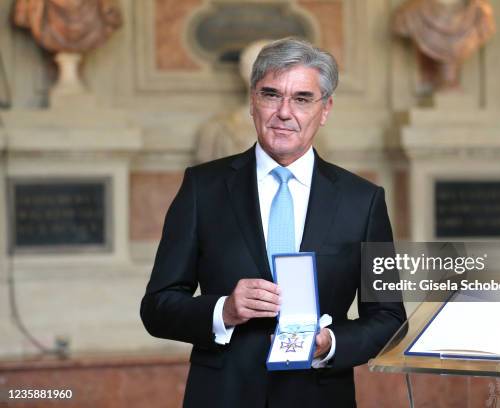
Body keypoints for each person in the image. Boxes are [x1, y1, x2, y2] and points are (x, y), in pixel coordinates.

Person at [140, 38, 406, 408]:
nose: (284, 112)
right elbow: (157, 307)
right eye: (271, 95)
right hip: (223, 396)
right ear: (253, 101)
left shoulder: (363, 201)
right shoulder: (203, 188)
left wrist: (330, 343)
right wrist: (224, 310)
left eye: (301, 98)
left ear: (325, 108)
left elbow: (389, 318)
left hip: (318, 396)